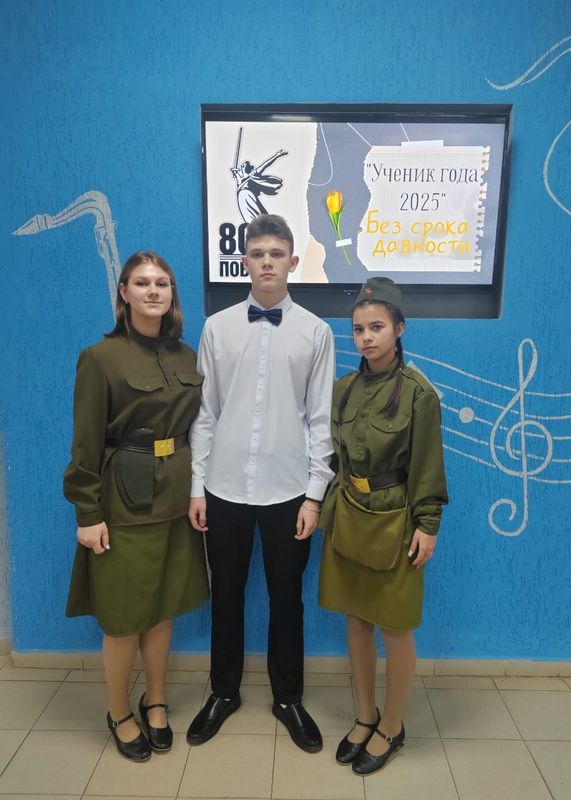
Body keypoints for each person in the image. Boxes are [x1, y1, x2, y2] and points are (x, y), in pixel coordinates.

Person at [186, 213, 335, 753]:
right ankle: (223, 692)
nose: (267, 262)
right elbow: (205, 413)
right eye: (257, 254)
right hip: (223, 487)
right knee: (225, 594)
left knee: (286, 598)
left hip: (289, 490)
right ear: (244, 261)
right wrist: (197, 486)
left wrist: (314, 496)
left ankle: (288, 698)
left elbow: (320, 420)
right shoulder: (216, 328)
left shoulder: (316, 332)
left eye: (276, 254)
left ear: (293, 262)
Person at [64, 251, 209, 762]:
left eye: (162, 283)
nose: (153, 291)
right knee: (125, 615)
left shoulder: (186, 355)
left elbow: (198, 426)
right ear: (123, 292)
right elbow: (85, 443)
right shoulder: (100, 358)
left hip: (176, 495)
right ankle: (118, 711)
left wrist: (199, 489)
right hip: (124, 498)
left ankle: (156, 699)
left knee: (163, 606)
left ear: (172, 294)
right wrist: (88, 514)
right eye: (142, 283)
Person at [318, 277, 448, 775]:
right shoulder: (343, 390)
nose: (367, 337)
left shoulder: (418, 394)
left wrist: (427, 524)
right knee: (356, 619)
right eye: (358, 329)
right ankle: (365, 715)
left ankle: (392, 725)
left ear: (399, 329)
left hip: (396, 520)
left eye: (377, 327)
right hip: (350, 513)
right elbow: (334, 458)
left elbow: (428, 466)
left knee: (394, 626)